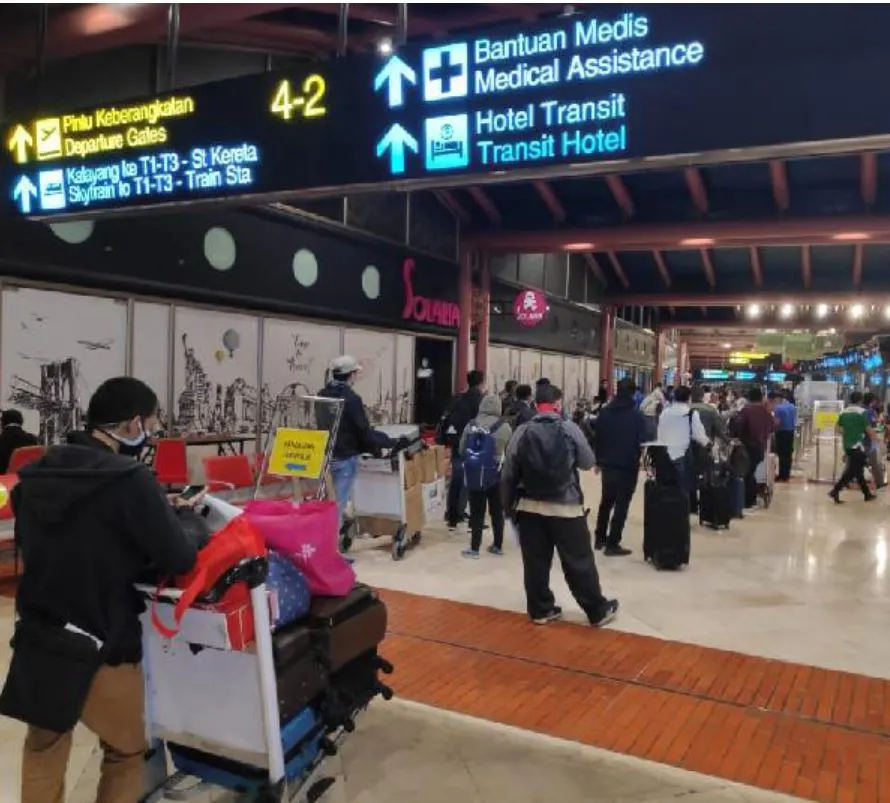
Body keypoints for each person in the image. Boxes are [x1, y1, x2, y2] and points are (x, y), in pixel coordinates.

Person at [1, 377, 198, 803]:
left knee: (44, 747)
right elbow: (179, 557)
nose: (151, 432)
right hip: (104, 637)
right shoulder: (129, 479)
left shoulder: (35, 473)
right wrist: (176, 517)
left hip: (40, 633)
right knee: (125, 751)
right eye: (151, 423)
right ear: (132, 424)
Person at [501, 384, 619, 628]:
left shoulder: (522, 431)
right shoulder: (569, 428)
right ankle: (597, 610)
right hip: (565, 508)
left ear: (536, 405)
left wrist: (508, 508)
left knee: (535, 562)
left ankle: (540, 610)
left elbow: (508, 472)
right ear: (557, 404)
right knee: (578, 561)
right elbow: (587, 462)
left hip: (530, 508)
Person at [318, 355, 400, 531]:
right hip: (345, 457)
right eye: (355, 372)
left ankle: (326, 542)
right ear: (351, 374)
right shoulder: (352, 399)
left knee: (326, 503)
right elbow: (362, 430)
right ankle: (331, 552)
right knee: (337, 505)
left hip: (325, 456)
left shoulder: (322, 395)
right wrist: (383, 445)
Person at [592, 378, 647, 556]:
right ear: (632, 393)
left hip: (608, 464)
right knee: (622, 505)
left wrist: (598, 461)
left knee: (606, 502)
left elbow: (597, 437)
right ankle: (613, 543)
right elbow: (642, 440)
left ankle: (599, 538)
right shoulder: (637, 415)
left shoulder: (605, 413)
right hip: (628, 466)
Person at [458, 394, 512, 558]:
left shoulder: (471, 425)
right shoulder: (504, 426)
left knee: (476, 511)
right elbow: (510, 453)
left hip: (475, 473)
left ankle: (474, 549)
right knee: (497, 510)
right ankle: (497, 545)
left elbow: (461, 450)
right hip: (496, 473)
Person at [442, 370, 486, 531]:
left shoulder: (458, 398)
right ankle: (470, 517)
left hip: (456, 442)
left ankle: (453, 514)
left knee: (457, 478)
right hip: (473, 444)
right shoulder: (481, 401)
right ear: (482, 382)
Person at [656, 385, 710, 494]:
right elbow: (699, 435)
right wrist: (708, 443)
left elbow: (660, 432)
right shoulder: (691, 414)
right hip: (683, 454)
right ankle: (682, 507)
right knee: (684, 486)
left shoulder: (665, 412)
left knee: (666, 484)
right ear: (688, 398)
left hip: (666, 453)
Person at [731, 387, 777, 508]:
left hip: (746, 447)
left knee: (746, 473)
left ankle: (747, 500)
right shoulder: (766, 412)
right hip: (760, 447)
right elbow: (773, 427)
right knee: (751, 472)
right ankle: (750, 498)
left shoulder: (746, 410)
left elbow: (738, 427)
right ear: (761, 398)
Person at [830, 391, 877, 503]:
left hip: (847, 445)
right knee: (852, 471)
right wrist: (875, 439)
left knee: (858, 470)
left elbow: (837, 428)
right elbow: (868, 430)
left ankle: (866, 494)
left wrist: (848, 432)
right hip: (858, 445)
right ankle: (835, 491)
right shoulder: (862, 412)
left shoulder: (843, 412)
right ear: (860, 400)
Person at [769, 390, 797, 482]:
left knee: (782, 455)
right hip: (791, 432)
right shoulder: (792, 406)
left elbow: (777, 423)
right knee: (788, 454)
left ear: (777, 399)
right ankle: (786, 475)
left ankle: (781, 475)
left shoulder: (778, 408)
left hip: (781, 433)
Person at [0, 408, 39, 473]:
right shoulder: (31, 439)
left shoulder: (2, 439)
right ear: (21, 421)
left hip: (4, 480)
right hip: (26, 479)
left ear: (2, 422)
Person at [864, 393, 886, 488]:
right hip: (869, 439)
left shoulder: (862, 409)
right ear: (872, 400)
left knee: (855, 461)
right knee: (875, 462)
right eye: (874, 400)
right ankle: (880, 482)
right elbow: (873, 425)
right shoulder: (869, 411)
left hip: (859, 439)